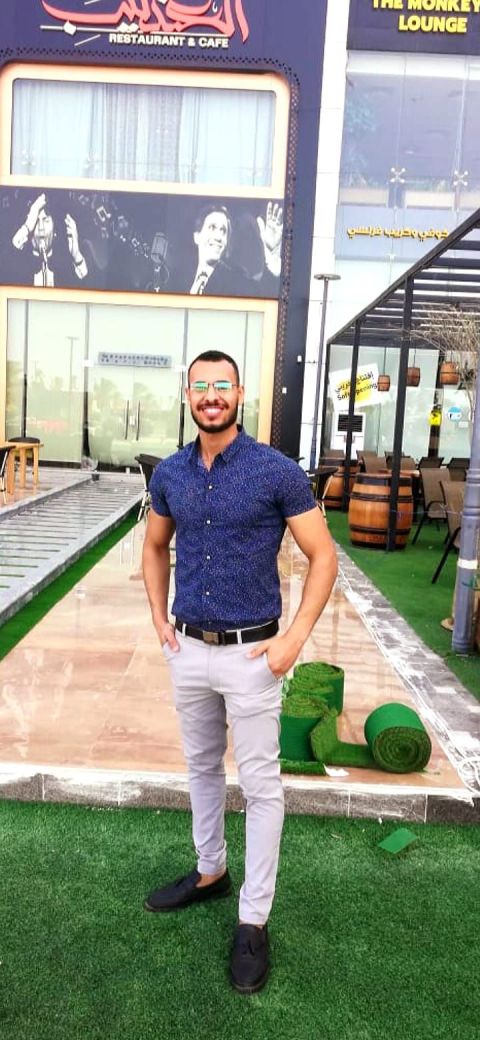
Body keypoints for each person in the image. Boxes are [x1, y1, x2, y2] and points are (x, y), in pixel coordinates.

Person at [142, 349, 337, 995]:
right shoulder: (170, 472)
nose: (211, 395)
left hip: (253, 655)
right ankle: (210, 872)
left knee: (260, 787)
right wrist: (159, 618)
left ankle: (253, 919)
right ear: (188, 396)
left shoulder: (275, 471)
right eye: (200, 386)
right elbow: (154, 545)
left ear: (239, 393)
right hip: (188, 649)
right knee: (201, 767)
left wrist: (293, 640)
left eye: (221, 385)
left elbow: (323, 557)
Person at [186, 201, 283, 296]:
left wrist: (273, 258)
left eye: (223, 231)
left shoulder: (236, 280)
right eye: (212, 227)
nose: (218, 237)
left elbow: (263, 295)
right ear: (197, 236)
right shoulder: (181, 277)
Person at [12, 192, 88, 286]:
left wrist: (76, 255)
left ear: (54, 229)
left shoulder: (64, 266)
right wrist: (27, 227)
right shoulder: (17, 265)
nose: (41, 228)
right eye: (36, 222)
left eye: (46, 220)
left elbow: (88, 287)